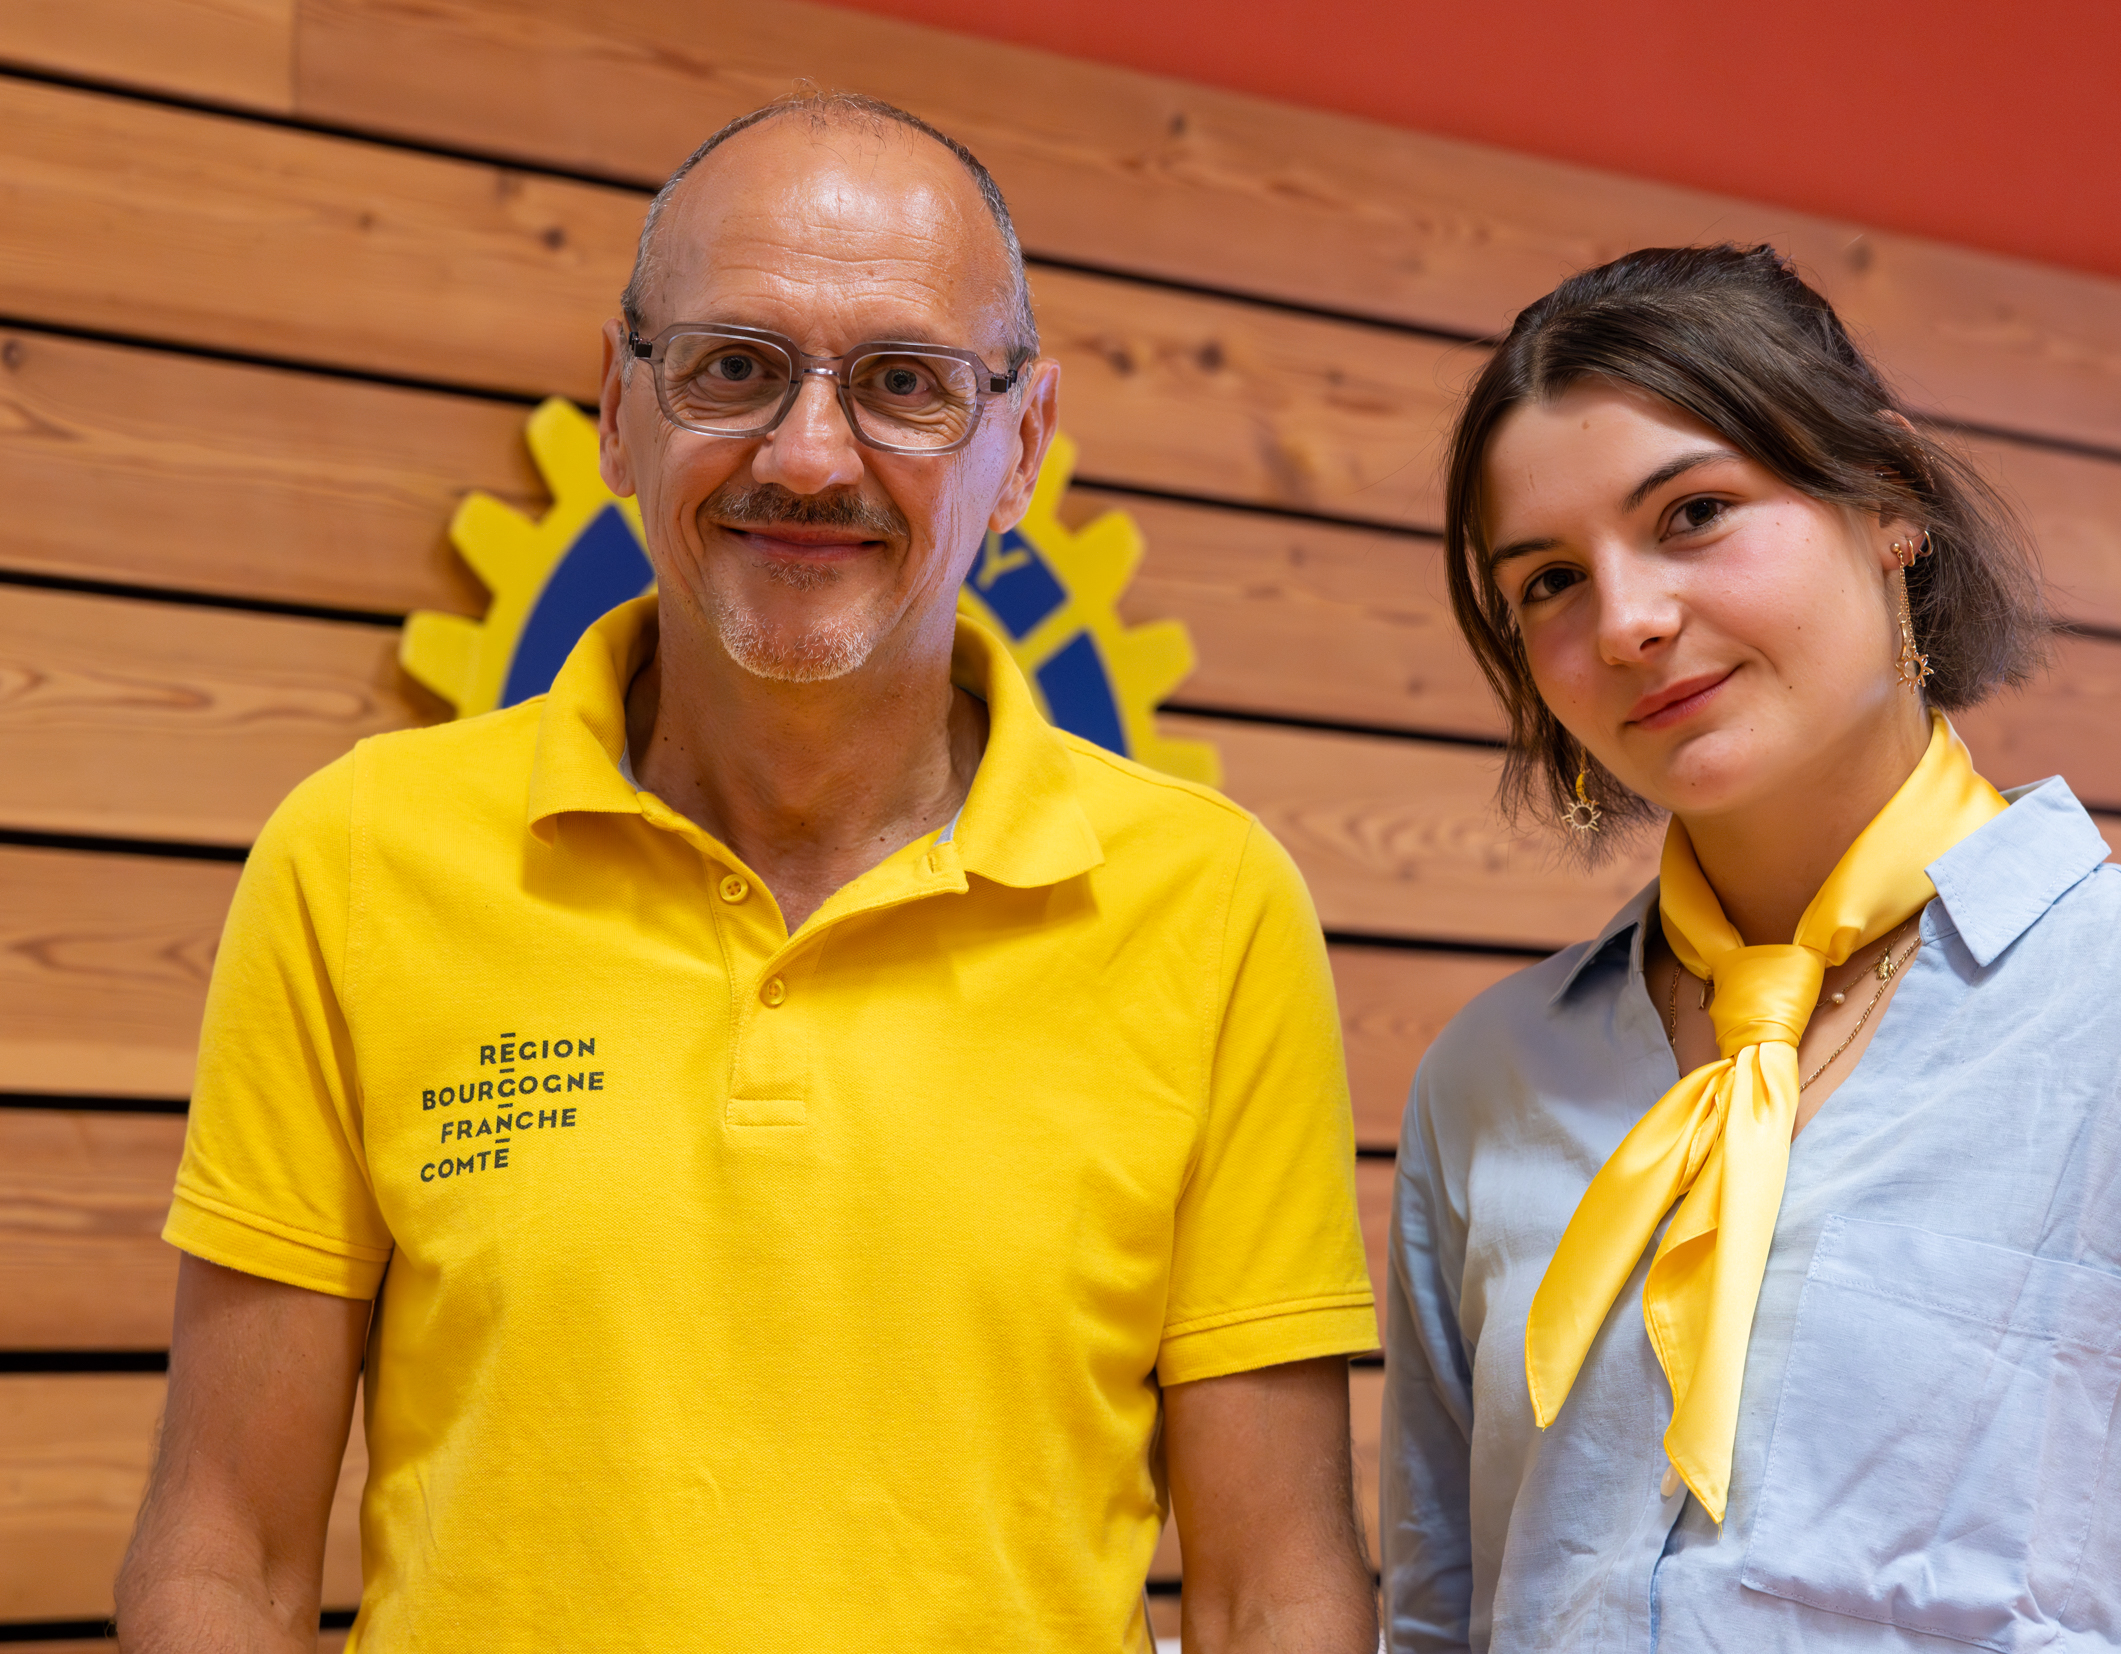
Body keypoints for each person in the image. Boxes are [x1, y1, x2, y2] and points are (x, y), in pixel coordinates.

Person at [115, 92, 1380, 1653]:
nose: (808, 455)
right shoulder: (356, 857)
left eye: (905, 383)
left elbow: (1276, 1592)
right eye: (734, 366)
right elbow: (222, 1555)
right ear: (617, 410)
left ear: (1022, 448)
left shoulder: (1216, 905)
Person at [1379, 244, 2121, 1651]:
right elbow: (1442, 1616)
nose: (1629, 620)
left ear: (1888, 501)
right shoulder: (1485, 1083)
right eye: (1546, 582)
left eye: (1695, 513)